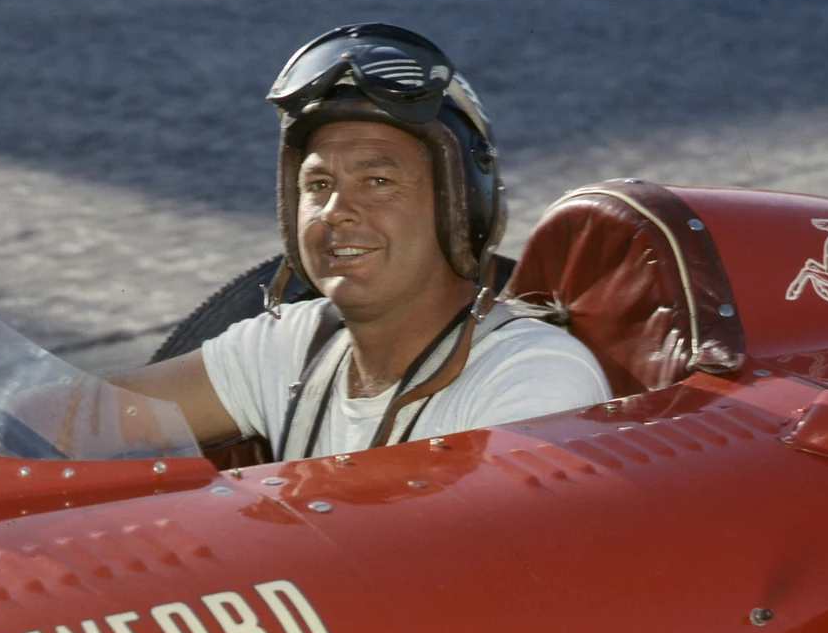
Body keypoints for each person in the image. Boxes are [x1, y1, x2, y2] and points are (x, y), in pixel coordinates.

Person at [121, 26, 610, 460]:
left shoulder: (534, 377)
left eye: (378, 181)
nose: (335, 211)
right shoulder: (292, 346)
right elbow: (80, 417)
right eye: (317, 186)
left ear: (463, 209)